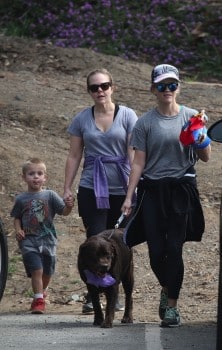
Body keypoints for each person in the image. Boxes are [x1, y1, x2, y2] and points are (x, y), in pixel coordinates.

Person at [121, 64, 211, 327]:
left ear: (179, 87)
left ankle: (171, 306)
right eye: (162, 86)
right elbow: (138, 163)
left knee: (174, 248)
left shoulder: (192, 116)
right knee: (155, 252)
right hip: (152, 190)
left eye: (172, 85)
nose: (167, 90)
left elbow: (205, 157)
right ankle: (167, 287)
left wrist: (200, 138)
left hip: (181, 189)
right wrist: (129, 197)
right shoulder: (145, 123)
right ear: (153, 89)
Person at [63, 68, 138, 313]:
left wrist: (130, 193)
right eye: (94, 88)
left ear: (112, 87)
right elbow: (74, 156)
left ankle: (114, 293)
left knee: (119, 244)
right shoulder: (81, 119)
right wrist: (67, 188)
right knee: (95, 240)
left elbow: (133, 154)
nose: (100, 91)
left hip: (121, 187)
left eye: (104, 86)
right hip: (91, 187)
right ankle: (93, 293)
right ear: (89, 91)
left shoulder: (127, 115)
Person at [11, 157, 74, 314]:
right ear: (24, 177)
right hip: (28, 240)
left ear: (45, 177)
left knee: (47, 272)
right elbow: (16, 217)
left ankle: (42, 290)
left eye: (39, 173)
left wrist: (69, 206)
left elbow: (64, 212)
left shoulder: (50, 195)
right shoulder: (21, 199)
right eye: (31, 173)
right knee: (37, 270)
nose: (36, 176)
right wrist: (18, 229)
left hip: (48, 240)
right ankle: (39, 300)